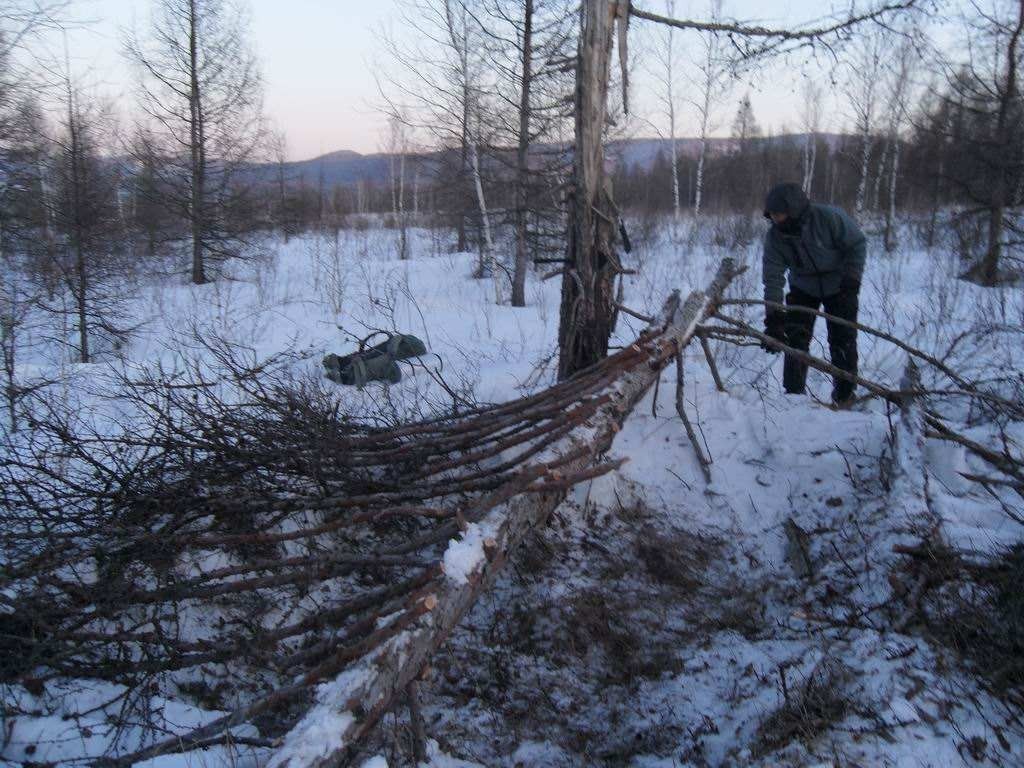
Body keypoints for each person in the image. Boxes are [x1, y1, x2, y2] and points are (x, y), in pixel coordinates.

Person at [760, 182, 866, 406]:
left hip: (840, 286)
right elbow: (773, 277)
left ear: (794, 210)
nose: (776, 220)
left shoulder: (829, 218)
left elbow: (856, 244)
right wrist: (774, 318)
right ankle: (793, 398)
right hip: (802, 287)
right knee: (795, 339)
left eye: (780, 214)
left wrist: (852, 280)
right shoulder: (775, 238)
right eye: (773, 216)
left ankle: (845, 396)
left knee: (843, 339)